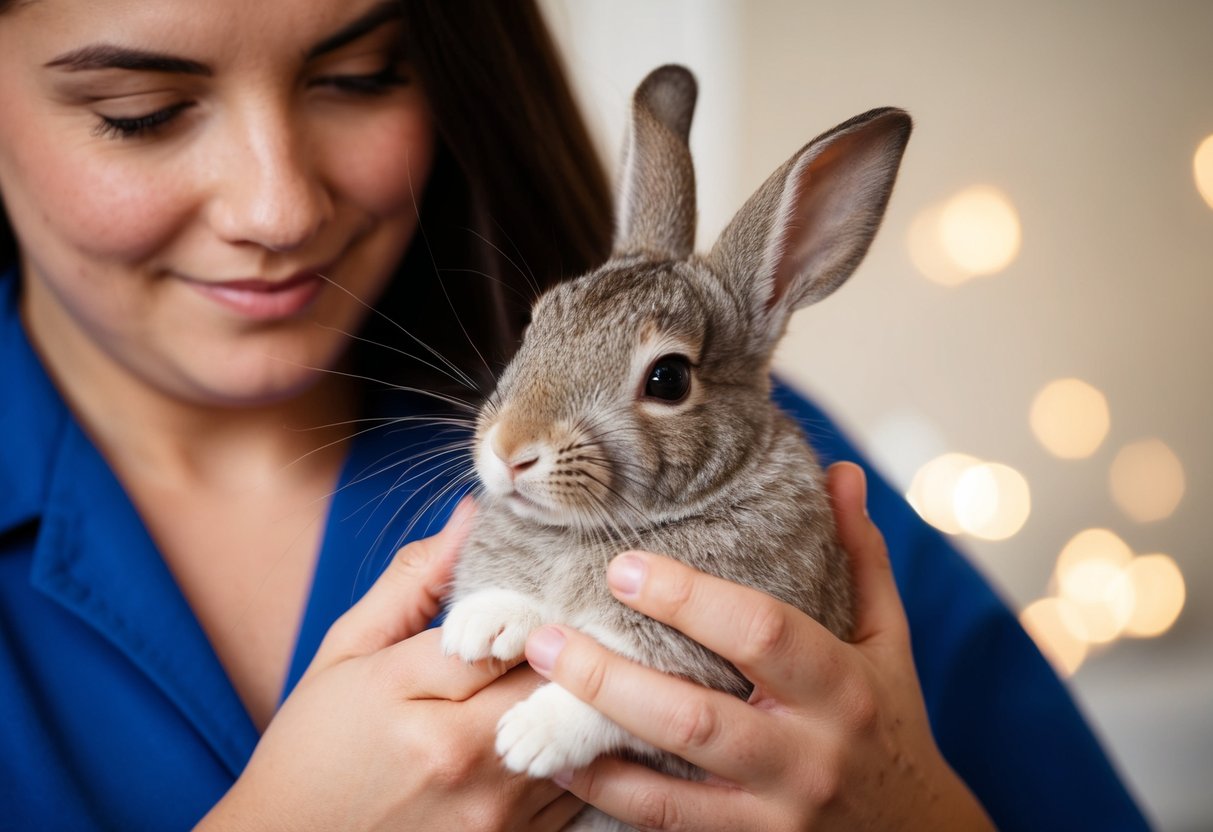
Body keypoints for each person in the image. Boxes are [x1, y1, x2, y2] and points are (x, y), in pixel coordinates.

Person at [0, 1, 1149, 829]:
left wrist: (901, 814)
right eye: (139, 111)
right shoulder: (525, 444)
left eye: (358, 75)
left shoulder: (751, 460)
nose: (277, 205)